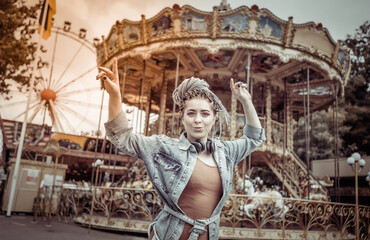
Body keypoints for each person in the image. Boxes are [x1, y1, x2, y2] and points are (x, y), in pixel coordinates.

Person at [97, 58, 265, 240]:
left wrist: (246, 101)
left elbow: (253, 138)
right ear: (182, 117)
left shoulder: (225, 152)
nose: (198, 120)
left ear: (214, 118)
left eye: (205, 114)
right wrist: (115, 96)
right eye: (191, 113)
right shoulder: (164, 147)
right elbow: (122, 136)